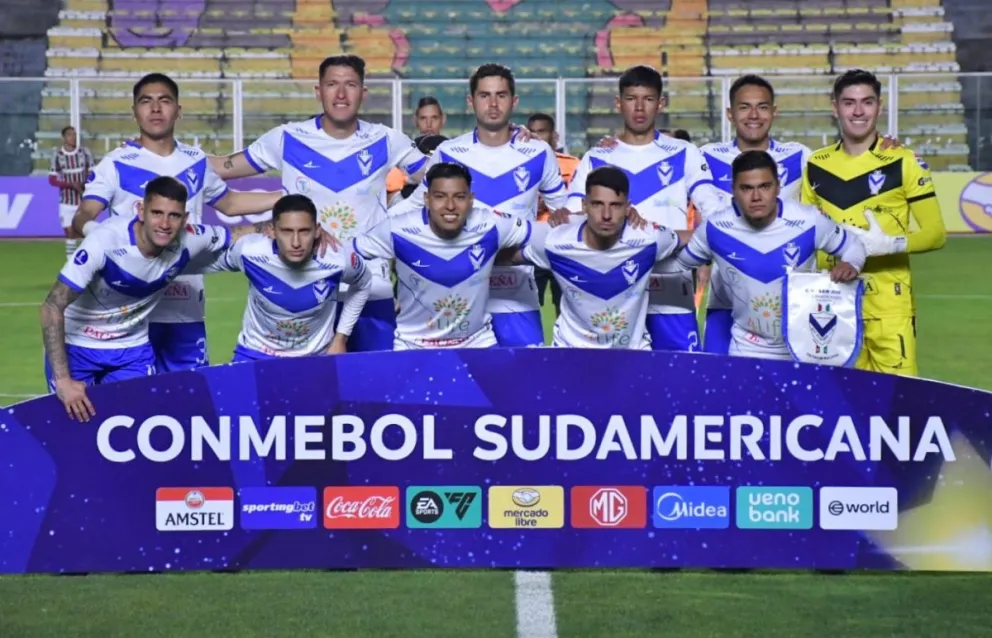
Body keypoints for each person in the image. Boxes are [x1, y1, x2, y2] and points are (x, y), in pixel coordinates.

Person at [207, 54, 430, 353]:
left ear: (363, 93)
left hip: (371, 289)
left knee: (377, 381)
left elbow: (439, 180)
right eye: (332, 84)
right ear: (318, 91)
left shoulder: (387, 140)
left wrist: (400, 214)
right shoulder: (286, 138)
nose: (341, 94)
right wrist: (162, 152)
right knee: (315, 384)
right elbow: (222, 167)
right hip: (306, 295)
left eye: (351, 85)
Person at [69, 73, 283, 375]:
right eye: (146, 101)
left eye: (164, 100)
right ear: (134, 112)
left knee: (190, 396)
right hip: (127, 314)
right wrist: (96, 234)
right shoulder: (115, 163)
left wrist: (286, 196)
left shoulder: (195, 161)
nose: (155, 108)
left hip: (185, 306)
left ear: (178, 111)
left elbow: (230, 203)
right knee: (131, 398)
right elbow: (84, 214)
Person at [40, 176, 254, 422]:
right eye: (157, 213)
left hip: (133, 351)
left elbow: (236, 234)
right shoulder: (105, 242)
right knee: (73, 430)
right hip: (78, 347)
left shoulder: (191, 238)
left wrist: (277, 227)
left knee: (138, 427)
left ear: (185, 219)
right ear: (141, 211)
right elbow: (51, 307)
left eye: (174, 216)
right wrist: (63, 380)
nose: (164, 224)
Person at [392, 63, 570, 348]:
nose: (493, 104)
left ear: (514, 101)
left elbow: (565, 217)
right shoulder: (449, 152)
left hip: (516, 298)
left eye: (501, 95)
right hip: (455, 303)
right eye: (485, 95)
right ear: (471, 101)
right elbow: (413, 210)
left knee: (525, 375)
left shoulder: (538, 152)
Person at [566, 65, 726, 353]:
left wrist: (687, 250)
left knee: (680, 373)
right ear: (618, 103)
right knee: (619, 376)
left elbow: (712, 212)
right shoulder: (597, 157)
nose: (639, 108)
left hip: (670, 287)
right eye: (631, 99)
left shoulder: (684, 152)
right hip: (615, 291)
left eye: (648, 99)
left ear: (660, 103)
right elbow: (573, 218)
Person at [802, 69, 947, 377]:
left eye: (867, 102)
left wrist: (889, 244)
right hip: (833, 306)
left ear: (879, 106)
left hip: (889, 309)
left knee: (898, 400)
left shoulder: (904, 162)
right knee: (843, 401)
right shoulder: (816, 164)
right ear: (835, 108)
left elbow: (935, 234)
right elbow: (805, 236)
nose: (858, 111)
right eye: (849, 103)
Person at [674, 151, 867, 360]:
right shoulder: (715, 228)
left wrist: (851, 263)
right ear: (733, 191)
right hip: (746, 347)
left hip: (803, 348)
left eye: (765, 186)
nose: (756, 197)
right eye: (746, 188)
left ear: (778, 187)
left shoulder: (809, 220)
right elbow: (679, 266)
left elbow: (853, 246)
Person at [351, 162, 536, 349]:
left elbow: (544, 238)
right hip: (413, 346)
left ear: (471, 199)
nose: (450, 206)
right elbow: (346, 256)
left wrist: (520, 255)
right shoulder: (397, 229)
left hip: (478, 344)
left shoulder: (491, 224)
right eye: (440, 197)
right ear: (427, 199)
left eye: (459, 197)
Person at [503, 166, 690, 349]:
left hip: (632, 354)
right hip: (570, 352)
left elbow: (696, 237)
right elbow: (507, 257)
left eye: (615, 205)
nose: (606, 215)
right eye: (597, 204)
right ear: (584, 205)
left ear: (628, 208)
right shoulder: (556, 241)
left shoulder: (648, 238)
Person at [699, 75, 812, 355]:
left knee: (787, 381)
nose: (753, 115)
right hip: (726, 300)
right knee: (718, 377)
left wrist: (881, 143)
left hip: (787, 302)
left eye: (762, 107)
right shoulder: (705, 157)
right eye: (744, 107)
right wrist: (612, 145)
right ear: (730, 114)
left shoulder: (800, 157)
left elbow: (842, 162)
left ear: (774, 111)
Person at [195, 194, 372, 361]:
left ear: (317, 231)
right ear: (271, 230)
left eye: (304, 231)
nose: (296, 242)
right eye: (287, 231)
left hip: (315, 358)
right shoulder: (249, 252)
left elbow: (363, 283)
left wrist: (341, 337)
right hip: (255, 354)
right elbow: (206, 264)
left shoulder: (338, 259)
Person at [526, 112, 580, 316]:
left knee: (566, 306)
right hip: (531, 243)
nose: (537, 137)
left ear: (554, 136)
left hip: (563, 243)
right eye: (532, 132)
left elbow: (581, 202)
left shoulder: (573, 165)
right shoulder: (521, 165)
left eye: (542, 132)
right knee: (527, 304)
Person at [48, 125, 94, 259]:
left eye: (74, 135)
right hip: (66, 201)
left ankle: (90, 260)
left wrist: (84, 184)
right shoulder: (57, 155)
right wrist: (70, 185)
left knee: (86, 231)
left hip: (83, 200)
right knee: (69, 232)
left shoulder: (85, 153)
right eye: (69, 135)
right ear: (63, 138)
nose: (73, 137)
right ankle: (71, 262)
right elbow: (52, 180)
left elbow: (93, 174)